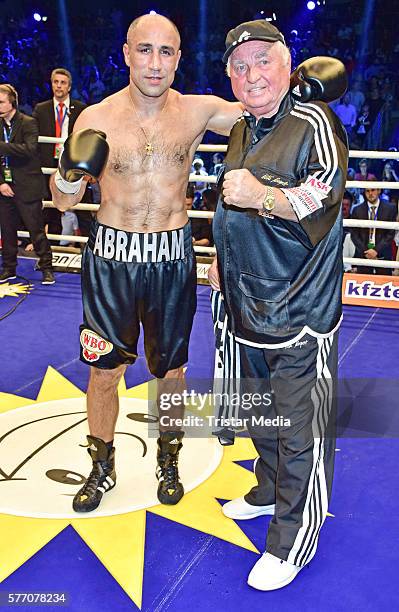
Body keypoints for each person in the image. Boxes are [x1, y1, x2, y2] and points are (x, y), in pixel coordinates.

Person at [50, 13, 243, 513]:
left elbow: (263, 112)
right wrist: (73, 172)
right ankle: (101, 466)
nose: (155, 63)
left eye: (166, 52)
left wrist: (296, 84)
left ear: (178, 58)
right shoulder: (94, 117)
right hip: (111, 257)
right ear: (126, 53)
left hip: (171, 257)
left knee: (172, 371)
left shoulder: (200, 110)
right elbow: (65, 200)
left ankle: (169, 456)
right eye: (145, 50)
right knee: (103, 373)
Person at [208, 20, 348, 590]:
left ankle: (294, 539)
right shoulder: (243, 127)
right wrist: (221, 253)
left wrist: (264, 195)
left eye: (262, 61)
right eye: (240, 67)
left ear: (287, 67)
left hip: (299, 309)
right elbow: (234, 204)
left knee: (301, 429)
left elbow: (328, 187)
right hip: (248, 302)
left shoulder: (312, 120)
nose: (251, 74)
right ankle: (268, 490)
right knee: (262, 417)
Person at [0, 84, 55, 284]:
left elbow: (30, 150)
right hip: (4, 186)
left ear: (12, 102)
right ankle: (8, 268)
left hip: (28, 186)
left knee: (36, 230)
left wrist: (2, 147)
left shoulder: (28, 122)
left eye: (1, 102)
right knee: (6, 231)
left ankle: (47, 268)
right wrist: (1, 183)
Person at [32, 68, 87, 242]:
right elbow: (34, 139)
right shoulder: (41, 109)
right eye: (55, 82)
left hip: (73, 164)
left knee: (83, 209)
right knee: (51, 209)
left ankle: (88, 252)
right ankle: (52, 250)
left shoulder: (80, 109)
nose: (59, 86)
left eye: (63, 83)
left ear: (69, 87)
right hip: (49, 164)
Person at [350, 187, 396, 275]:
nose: (370, 193)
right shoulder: (357, 210)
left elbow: (390, 234)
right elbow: (354, 235)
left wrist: (376, 250)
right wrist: (367, 251)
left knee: (384, 284)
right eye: (367, 191)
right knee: (363, 285)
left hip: (383, 255)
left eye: (373, 190)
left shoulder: (390, 208)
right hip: (364, 256)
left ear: (379, 190)